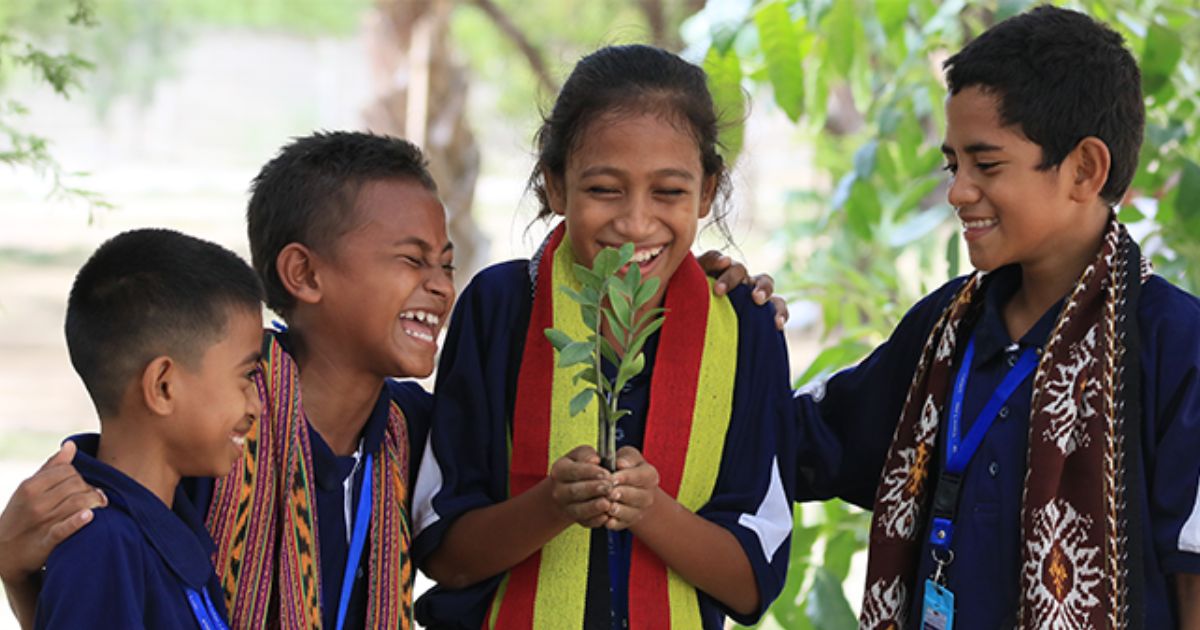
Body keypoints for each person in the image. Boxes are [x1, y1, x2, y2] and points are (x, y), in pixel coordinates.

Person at [0, 132, 779, 629]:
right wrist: (9, 560)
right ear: (302, 273)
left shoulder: (412, 431)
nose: (440, 288)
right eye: (412, 261)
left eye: (445, 264)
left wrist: (695, 286)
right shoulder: (213, 428)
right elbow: (102, 586)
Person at [790, 6, 1200, 628]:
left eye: (987, 164)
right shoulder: (944, 329)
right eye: (953, 164)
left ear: (1085, 169)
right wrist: (717, 317)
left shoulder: (1176, 346)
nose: (957, 191)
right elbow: (804, 441)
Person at [411, 44, 796, 629]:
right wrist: (550, 505)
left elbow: (751, 584)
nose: (636, 223)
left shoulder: (745, 328)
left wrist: (649, 511)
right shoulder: (499, 309)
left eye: (668, 192)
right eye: (604, 189)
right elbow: (444, 552)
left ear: (708, 192)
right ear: (556, 185)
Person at [35, 228, 264, 628]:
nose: (256, 405)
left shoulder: (167, 527)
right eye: (246, 377)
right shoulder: (103, 546)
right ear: (163, 386)